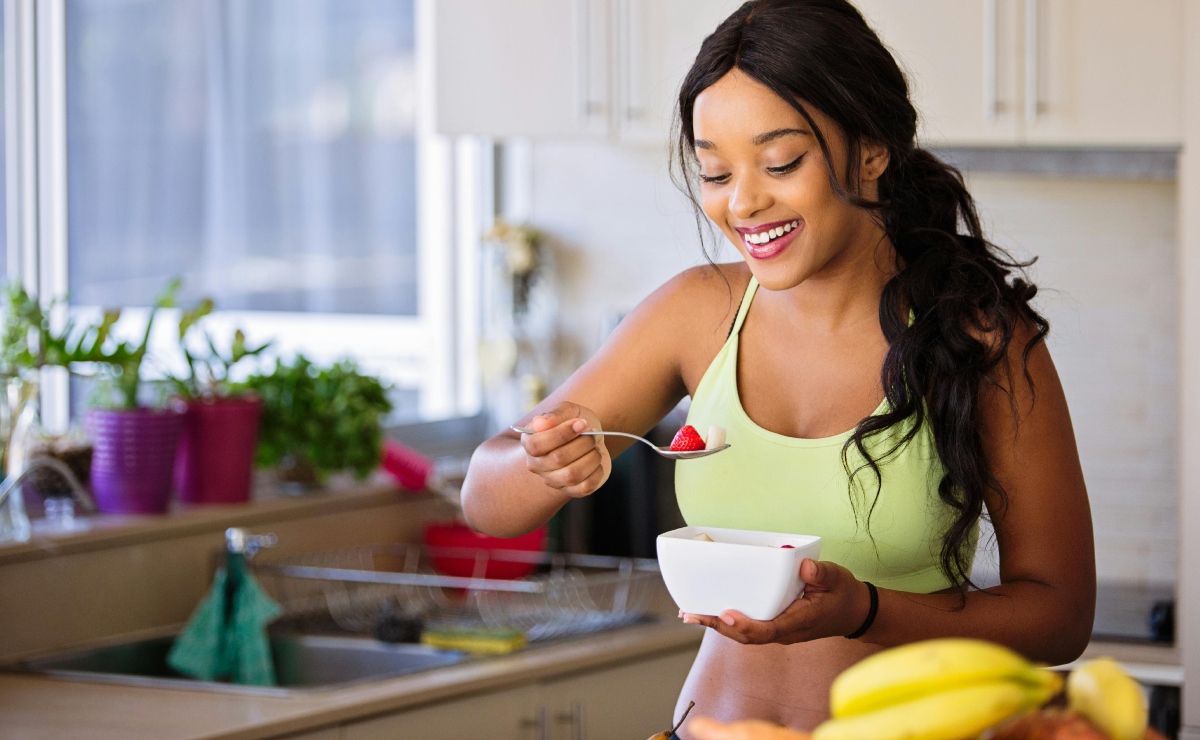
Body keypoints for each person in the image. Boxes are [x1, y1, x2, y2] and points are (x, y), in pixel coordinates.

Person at [461, 0, 1095, 734]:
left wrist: (867, 610)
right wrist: (545, 462)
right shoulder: (697, 312)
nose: (744, 203)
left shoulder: (980, 339)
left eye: (781, 162)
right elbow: (484, 497)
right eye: (715, 172)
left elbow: (1061, 615)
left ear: (871, 148)